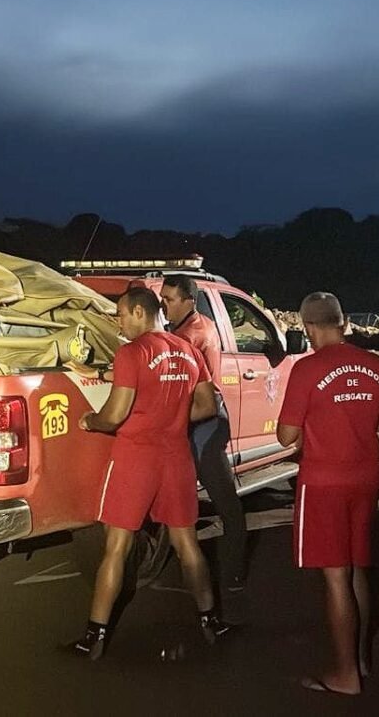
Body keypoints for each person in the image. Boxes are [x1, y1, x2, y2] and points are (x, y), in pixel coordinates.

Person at [72, 286, 225, 659]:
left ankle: (94, 638)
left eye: (121, 315)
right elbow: (208, 406)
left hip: (136, 458)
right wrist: (171, 418)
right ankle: (211, 623)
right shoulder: (189, 351)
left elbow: (114, 415)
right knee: (187, 544)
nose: (119, 323)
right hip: (177, 457)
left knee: (117, 547)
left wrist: (90, 420)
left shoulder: (132, 352)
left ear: (140, 312)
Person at [276, 292, 379, 695]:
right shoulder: (375, 364)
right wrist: (353, 416)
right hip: (366, 477)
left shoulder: (306, 369)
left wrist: (325, 417)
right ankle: (360, 658)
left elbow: (286, 436)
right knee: (358, 566)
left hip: (324, 482)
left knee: (335, 576)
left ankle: (345, 675)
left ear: (308, 327)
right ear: (343, 322)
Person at [159, 274, 248, 623]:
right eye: (161, 299)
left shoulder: (190, 335)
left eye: (169, 299)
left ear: (188, 301)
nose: (164, 305)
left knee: (223, 499)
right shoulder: (192, 326)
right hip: (194, 419)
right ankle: (210, 572)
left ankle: (233, 575)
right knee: (189, 500)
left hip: (203, 421)